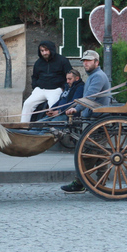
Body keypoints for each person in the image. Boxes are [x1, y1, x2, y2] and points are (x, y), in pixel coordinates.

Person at [60, 50, 112, 194]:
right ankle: (102, 183)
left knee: (87, 152)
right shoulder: (93, 76)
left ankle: (80, 182)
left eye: (89, 61)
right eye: (84, 61)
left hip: (97, 120)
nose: (85, 63)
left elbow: (89, 99)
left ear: (97, 62)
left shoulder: (98, 77)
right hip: (93, 119)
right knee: (100, 153)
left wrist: (76, 109)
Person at [20, 41, 72, 123]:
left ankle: (53, 130)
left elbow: (69, 76)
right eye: (42, 50)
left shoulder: (62, 60)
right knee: (27, 104)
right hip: (40, 90)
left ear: (51, 49)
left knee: (53, 107)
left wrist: (63, 88)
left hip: (55, 90)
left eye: (46, 50)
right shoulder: (38, 63)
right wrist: (35, 87)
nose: (44, 53)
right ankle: (23, 128)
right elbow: (34, 77)